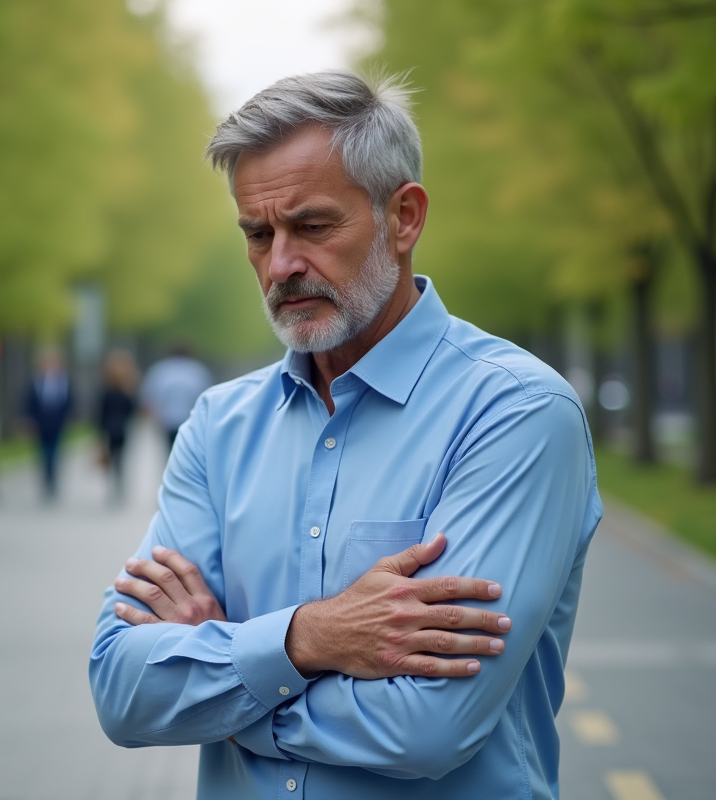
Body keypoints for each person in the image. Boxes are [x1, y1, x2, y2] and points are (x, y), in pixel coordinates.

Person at [89, 71, 601, 800]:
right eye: (258, 235)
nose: (282, 264)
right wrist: (311, 639)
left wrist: (223, 674)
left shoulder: (515, 414)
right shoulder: (217, 427)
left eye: (313, 226)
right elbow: (122, 688)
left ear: (405, 217)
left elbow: (429, 727)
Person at [139, 344, 212, 450]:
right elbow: (205, 396)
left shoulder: (160, 370)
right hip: (189, 419)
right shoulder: (198, 371)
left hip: (166, 420)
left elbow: (149, 397)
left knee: (170, 449)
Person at [23, 351, 73, 500]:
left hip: (58, 424)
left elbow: (70, 402)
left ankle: (53, 481)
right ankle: (46, 480)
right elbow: (28, 402)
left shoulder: (64, 382)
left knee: (55, 453)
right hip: (41, 424)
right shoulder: (36, 382)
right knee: (44, 453)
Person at [95, 349, 139, 503]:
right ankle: (119, 483)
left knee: (112, 457)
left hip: (109, 428)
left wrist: (99, 432)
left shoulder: (107, 392)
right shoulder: (127, 392)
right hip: (122, 429)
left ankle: (114, 484)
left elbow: (101, 413)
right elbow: (133, 411)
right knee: (120, 457)